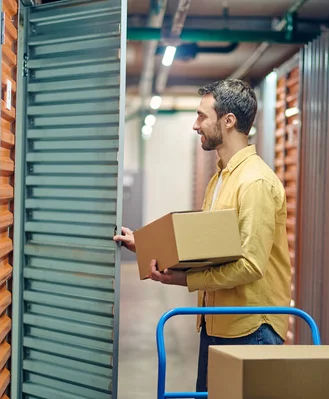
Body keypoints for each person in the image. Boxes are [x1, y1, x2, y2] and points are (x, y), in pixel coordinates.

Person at [113, 79, 291, 392]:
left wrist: (184, 280)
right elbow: (206, 244)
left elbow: (250, 265)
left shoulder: (255, 183)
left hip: (250, 327)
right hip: (218, 319)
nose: (196, 125)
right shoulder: (221, 178)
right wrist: (145, 244)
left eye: (201, 116)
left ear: (229, 121)